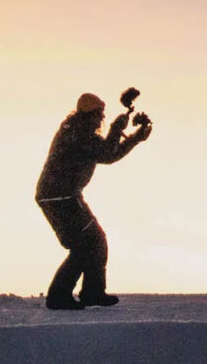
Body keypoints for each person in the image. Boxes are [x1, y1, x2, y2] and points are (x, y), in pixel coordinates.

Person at [35, 92, 152, 310]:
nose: (101, 119)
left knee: (93, 242)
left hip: (62, 196)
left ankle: (91, 292)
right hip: (60, 197)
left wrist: (135, 137)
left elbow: (109, 155)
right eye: (99, 114)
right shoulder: (78, 133)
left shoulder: (80, 132)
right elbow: (106, 152)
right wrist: (117, 129)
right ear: (89, 114)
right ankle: (62, 296)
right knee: (86, 245)